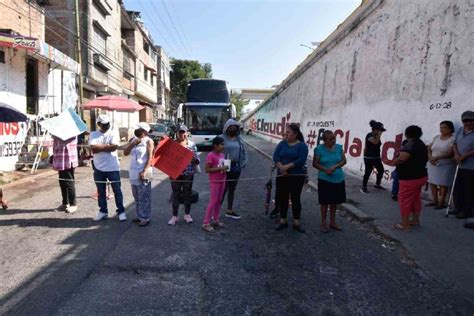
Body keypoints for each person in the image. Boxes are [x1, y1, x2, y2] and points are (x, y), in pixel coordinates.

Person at [89, 114, 126, 222]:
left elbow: (114, 147)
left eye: (108, 124)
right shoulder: (94, 134)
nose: (107, 126)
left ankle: (121, 211)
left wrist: (100, 146)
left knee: (117, 191)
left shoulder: (113, 132)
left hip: (113, 167)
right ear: (99, 124)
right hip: (98, 168)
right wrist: (107, 145)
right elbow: (93, 149)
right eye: (104, 125)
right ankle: (103, 211)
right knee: (101, 191)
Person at [272, 124, 309, 233]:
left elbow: (301, 160)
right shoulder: (282, 144)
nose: (286, 134)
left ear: (295, 134)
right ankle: (283, 221)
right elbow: (276, 156)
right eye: (286, 132)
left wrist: (287, 167)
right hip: (282, 176)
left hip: (296, 176)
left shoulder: (302, 146)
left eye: (288, 132)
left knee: (295, 198)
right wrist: (281, 167)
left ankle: (296, 222)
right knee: (283, 198)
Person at [393, 125, 428, 230]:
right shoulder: (421, 143)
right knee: (415, 198)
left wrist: (395, 161)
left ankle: (405, 224)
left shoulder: (410, 144)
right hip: (420, 176)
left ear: (407, 134)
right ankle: (415, 220)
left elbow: (402, 159)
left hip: (409, 178)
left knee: (404, 200)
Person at [313, 130, 347, 233]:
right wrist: (325, 169)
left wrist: (335, 166)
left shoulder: (339, 147)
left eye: (334, 138)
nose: (334, 140)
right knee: (324, 202)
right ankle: (323, 223)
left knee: (334, 202)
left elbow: (344, 161)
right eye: (331, 139)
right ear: (325, 140)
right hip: (325, 179)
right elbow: (315, 163)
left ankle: (332, 222)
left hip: (338, 179)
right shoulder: (319, 149)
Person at [169, 125, 200, 225]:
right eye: (180, 132)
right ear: (177, 133)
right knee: (175, 194)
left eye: (183, 132)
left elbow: (197, 160)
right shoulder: (172, 144)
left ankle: (187, 214)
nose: (182, 134)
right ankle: (174, 216)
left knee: (187, 193)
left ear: (187, 133)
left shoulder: (191, 145)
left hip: (188, 172)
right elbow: (167, 158)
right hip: (175, 173)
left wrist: (194, 160)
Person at [124, 122, 154, 226]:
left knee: (144, 196)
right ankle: (139, 215)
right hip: (133, 172)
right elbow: (125, 152)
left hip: (145, 171)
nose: (136, 131)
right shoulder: (133, 140)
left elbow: (150, 157)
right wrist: (132, 144)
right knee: (136, 196)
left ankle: (145, 218)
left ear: (144, 131)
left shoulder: (149, 141)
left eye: (138, 130)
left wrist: (144, 170)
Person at [220, 119, 248, 220]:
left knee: (232, 189)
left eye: (234, 127)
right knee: (223, 189)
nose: (232, 129)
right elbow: (215, 151)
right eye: (230, 127)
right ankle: (216, 211)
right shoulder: (221, 138)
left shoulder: (239, 139)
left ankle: (229, 210)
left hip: (236, 167)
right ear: (226, 128)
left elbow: (244, 151)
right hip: (224, 166)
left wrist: (243, 163)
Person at [426, 121, 456, 209]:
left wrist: (437, 157)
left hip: (445, 163)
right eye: (441, 127)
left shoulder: (452, 139)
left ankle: (442, 202)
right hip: (432, 162)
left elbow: (450, 153)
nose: (442, 129)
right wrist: (430, 157)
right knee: (432, 182)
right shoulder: (436, 137)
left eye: (444, 127)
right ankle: (434, 200)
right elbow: (429, 148)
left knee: (443, 183)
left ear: (450, 129)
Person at [202, 136, 229, 232]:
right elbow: (207, 169)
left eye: (223, 144)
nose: (223, 146)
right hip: (214, 181)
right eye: (221, 144)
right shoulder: (210, 155)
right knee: (213, 201)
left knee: (219, 201)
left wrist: (225, 168)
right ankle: (206, 222)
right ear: (215, 146)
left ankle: (216, 219)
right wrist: (220, 169)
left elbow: (221, 166)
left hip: (222, 180)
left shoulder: (222, 155)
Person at [451, 111, 474, 222]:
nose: (468, 123)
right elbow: (454, 143)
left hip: (471, 166)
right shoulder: (460, 130)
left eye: (470, 120)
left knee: (468, 189)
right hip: (459, 164)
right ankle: (457, 208)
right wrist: (456, 154)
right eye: (465, 121)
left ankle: (467, 210)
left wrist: (465, 155)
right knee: (457, 187)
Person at [52, 135, 78, 213]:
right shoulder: (59, 131)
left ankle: (73, 204)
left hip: (68, 159)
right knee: (62, 182)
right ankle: (65, 203)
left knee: (69, 182)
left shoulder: (71, 132)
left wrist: (56, 137)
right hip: (60, 160)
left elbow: (65, 140)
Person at [361, 120, 386, 193]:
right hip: (368, 158)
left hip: (376, 157)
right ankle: (364, 187)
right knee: (368, 172)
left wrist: (378, 134)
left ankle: (377, 185)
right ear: (375, 130)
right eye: (379, 130)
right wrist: (379, 134)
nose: (380, 132)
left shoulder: (376, 136)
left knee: (381, 170)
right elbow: (375, 142)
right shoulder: (369, 135)